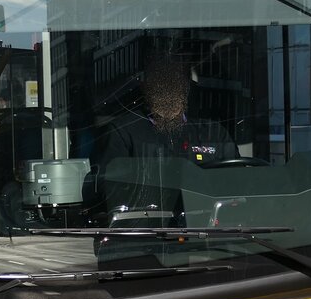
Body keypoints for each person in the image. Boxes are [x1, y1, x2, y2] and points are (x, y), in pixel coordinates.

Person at [97, 55, 238, 216]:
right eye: (160, 82)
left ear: (186, 88)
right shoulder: (123, 132)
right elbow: (108, 191)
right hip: (149, 225)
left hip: (206, 224)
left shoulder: (213, 132)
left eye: (175, 82)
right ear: (145, 87)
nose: (168, 88)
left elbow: (236, 183)